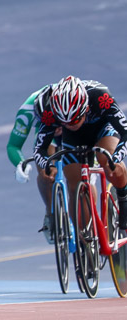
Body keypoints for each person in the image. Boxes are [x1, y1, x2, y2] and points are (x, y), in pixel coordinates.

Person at [33, 75, 127, 230]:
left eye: (75, 119)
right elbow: (39, 149)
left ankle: (124, 197)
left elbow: (124, 131)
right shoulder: (51, 112)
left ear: (86, 108)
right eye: (65, 122)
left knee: (108, 161)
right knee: (74, 185)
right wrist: (47, 165)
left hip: (103, 128)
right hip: (74, 139)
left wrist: (116, 157)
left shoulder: (100, 96)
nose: (71, 125)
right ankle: (85, 237)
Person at [7, 84, 62, 243]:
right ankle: (52, 215)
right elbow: (14, 145)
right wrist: (20, 163)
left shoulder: (73, 102)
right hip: (45, 134)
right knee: (45, 169)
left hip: (72, 124)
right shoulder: (27, 111)